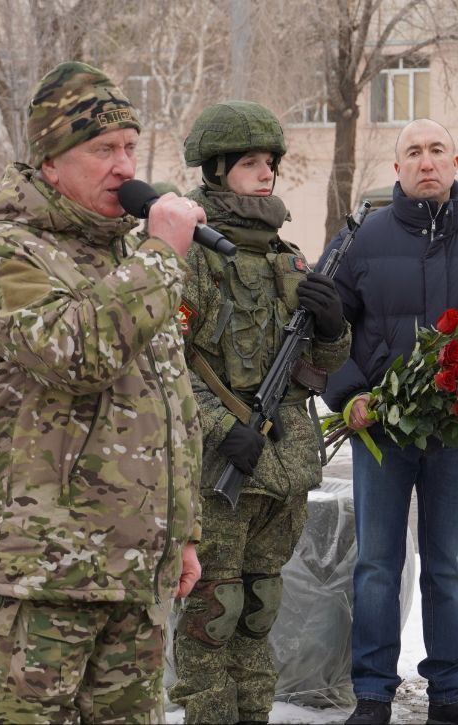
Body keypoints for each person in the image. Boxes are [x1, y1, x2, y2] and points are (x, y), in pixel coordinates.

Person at [0, 61, 204, 723]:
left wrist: (182, 531)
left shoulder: (128, 257)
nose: (125, 166)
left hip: (131, 574)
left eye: (129, 147)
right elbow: (74, 353)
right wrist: (161, 255)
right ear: (50, 162)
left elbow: (171, 404)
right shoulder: (4, 251)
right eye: (103, 149)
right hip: (36, 580)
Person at [321, 118, 458, 725]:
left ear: (456, 162)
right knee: (377, 564)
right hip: (380, 431)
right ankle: (374, 693)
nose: (427, 162)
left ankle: (451, 693)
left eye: (437, 150)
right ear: (397, 168)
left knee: (446, 565)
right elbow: (330, 332)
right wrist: (350, 395)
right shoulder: (360, 241)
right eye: (414, 152)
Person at [169, 101, 351, 724]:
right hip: (218, 470)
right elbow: (164, 365)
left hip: (284, 464)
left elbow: (319, 363)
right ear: (218, 171)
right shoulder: (189, 256)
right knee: (211, 616)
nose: (265, 173)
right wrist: (221, 429)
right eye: (250, 162)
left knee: (259, 607)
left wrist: (331, 326)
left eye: (269, 162)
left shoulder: (288, 257)